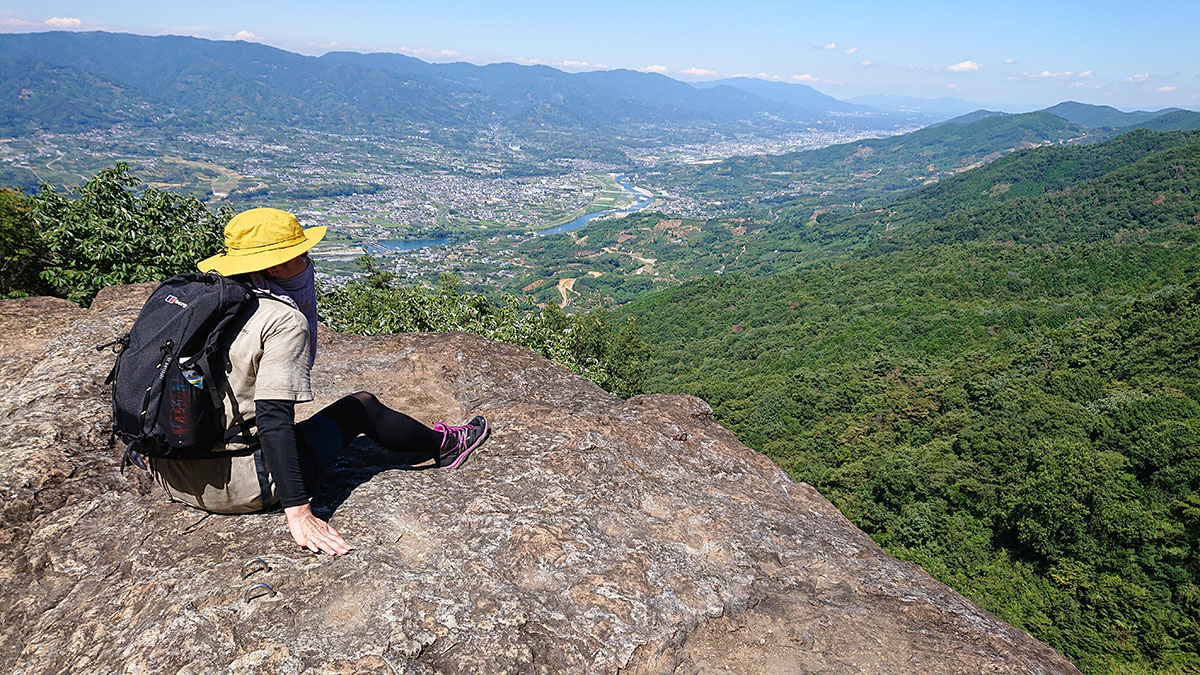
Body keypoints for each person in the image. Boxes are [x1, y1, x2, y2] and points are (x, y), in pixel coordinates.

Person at [142, 207, 489, 555]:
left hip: (172, 474)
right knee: (361, 407)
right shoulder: (280, 318)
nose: (309, 261)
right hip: (238, 486)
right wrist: (300, 513)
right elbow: (273, 418)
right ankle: (446, 446)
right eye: (301, 254)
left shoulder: (195, 302)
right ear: (276, 266)